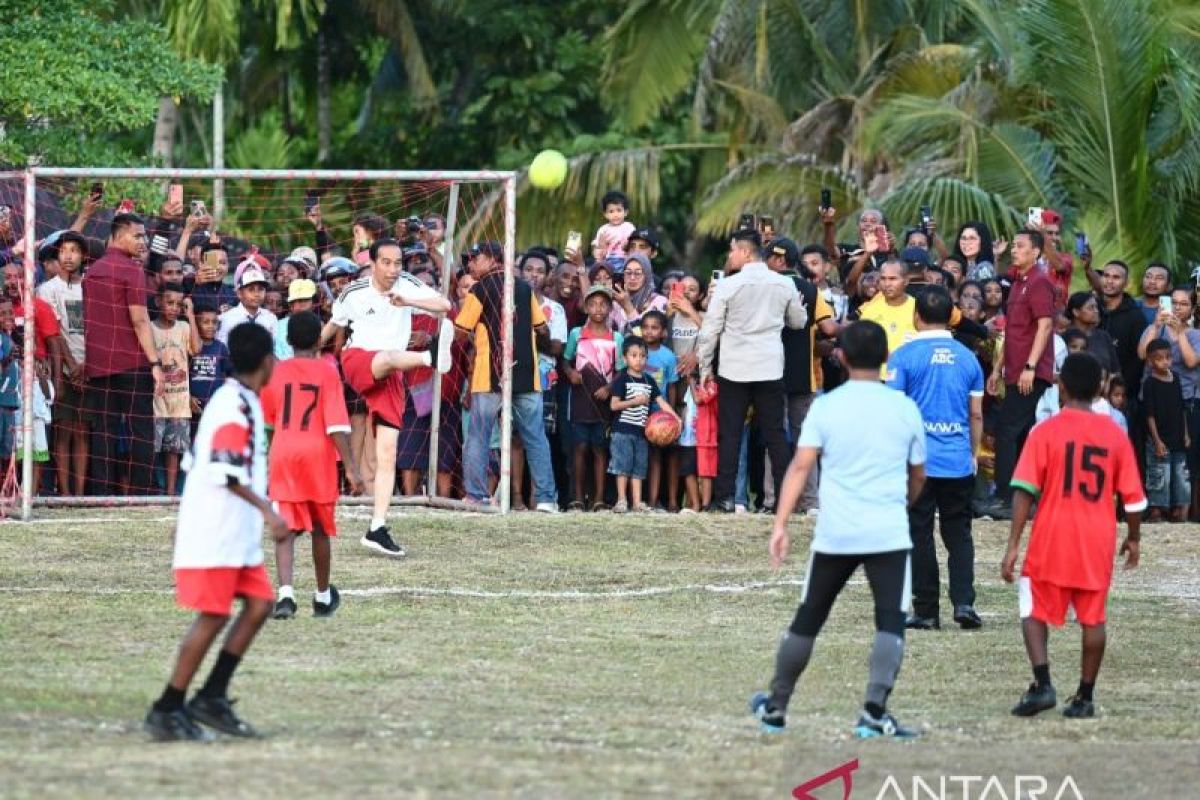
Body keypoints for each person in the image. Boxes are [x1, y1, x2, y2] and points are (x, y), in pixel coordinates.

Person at [751, 320, 926, 737]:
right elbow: (919, 475)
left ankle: (776, 707)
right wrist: (904, 502)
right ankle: (874, 711)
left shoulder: (826, 407)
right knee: (890, 621)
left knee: (809, 617)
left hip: (837, 531)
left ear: (841, 358)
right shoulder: (904, 407)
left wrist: (780, 524)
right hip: (887, 531)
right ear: (886, 358)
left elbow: (800, 466)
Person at [143, 323, 288, 742]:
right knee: (214, 616)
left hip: (236, 537)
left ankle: (212, 696)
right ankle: (167, 707)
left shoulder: (245, 401)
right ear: (267, 362)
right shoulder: (231, 406)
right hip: (215, 531)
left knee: (260, 603)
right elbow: (225, 472)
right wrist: (270, 514)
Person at [1002, 352, 1145, 719]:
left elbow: (1024, 490)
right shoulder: (1114, 434)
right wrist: (1133, 538)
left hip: (1053, 533)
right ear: (1101, 388)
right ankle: (1084, 695)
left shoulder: (1044, 432)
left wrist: (1013, 544)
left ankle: (1043, 682)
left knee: (1032, 606)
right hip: (1096, 537)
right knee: (1093, 617)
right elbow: (1133, 498)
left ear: (1060, 387)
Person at [320, 237, 453, 556]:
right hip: (360, 361)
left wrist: (407, 301)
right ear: (373, 263)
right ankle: (430, 358)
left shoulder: (406, 285)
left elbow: (445, 306)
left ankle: (377, 526)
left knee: (388, 451)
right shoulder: (353, 292)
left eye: (398, 263)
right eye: (387, 263)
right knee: (392, 356)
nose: (393, 269)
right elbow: (331, 326)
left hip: (392, 371)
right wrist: (307, 352)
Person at [887, 287, 985, 630]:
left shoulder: (903, 356)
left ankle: (927, 611)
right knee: (959, 533)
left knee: (919, 533)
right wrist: (972, 452)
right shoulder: (968, 357)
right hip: (957, 459)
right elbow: (976, 414)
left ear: (916, 316)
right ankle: (964, 604)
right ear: (951, 316)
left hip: (917, 463)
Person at [261, 312, 363, 620]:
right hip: (317, 457)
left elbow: (269, 418)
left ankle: (286, 596)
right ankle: (321, 597)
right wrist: (351, 468)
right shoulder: (328, 372)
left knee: (286, 530)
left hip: (285, 452)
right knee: (320, 529)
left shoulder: (275, 372)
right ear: (320, 339)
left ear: (288, 340)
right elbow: (336, 426)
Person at [697, 229, 807, 512]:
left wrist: (705, 367)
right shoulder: (782, 283)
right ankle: (786, 498)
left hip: (734, 369)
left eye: (733, 250)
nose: (730, 255)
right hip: (769, 367)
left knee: (730, 434)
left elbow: (710, 331)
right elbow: (797, 322)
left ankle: (724, 498)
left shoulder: (728, 285)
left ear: (745, 252)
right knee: (775, 435)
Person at [454, 242, 559, 512]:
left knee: (478, 436)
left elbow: (460, 330)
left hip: (489, 375)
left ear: (492, 259)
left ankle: (476, 495)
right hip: (525, 373)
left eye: (475, 259)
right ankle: (547, 499)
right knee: (535, 437)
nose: (471, 265)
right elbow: (542, 328)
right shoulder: (524, 288)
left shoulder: (479, 289)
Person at [83, 213, 164, 495]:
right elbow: (140, 320)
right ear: (119, 236)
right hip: (131, 363)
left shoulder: (92, 271)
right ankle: (140, 493)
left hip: (98, 363)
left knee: (102, 431)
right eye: (138, 235)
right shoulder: (132, 270)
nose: (144, 241)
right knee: (141, 429)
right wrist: (155, 363)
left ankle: (100, 494)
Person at [981, 230, 1055, 520]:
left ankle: (1005, 497)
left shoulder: (1039, 281)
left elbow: (1046, 325)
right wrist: (997, 368)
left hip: (1029, 372)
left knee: (1007, 431)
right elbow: (1012, 331)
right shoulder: (1018, 282)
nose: (1014, 250)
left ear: (1036, 252)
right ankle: (1027, 499)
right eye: (1013, 246)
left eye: (1021, 246)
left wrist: (1031, 367)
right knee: (1021, 433)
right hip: (1013, 370)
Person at [765, 237, 839, 514]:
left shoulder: (764, 287)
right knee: (805, 439)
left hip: (769, 374)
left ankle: (773, 500)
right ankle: (810, 502)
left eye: (768, 258)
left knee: (774, 438)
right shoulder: (809, 288)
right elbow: (829, 328)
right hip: (802, 375)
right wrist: (855, 329)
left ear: (780, 260)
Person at [562, 285, 624, 511]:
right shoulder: (576, 334)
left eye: (603, 304)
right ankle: (577, 498)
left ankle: (598, 498)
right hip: (580, 399)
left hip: (603, 402)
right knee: (579, 448)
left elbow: (621, 371)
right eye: (593, 304)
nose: (598, 308)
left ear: (610, 308)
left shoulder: (616, 337)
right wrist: (571, 373)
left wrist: (609, 388)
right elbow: (565, 360)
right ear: (586, 307)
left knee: (600, 449)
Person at [37, 230, 89, 496]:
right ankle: (65, 492)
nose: (69, 256)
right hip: (64, 371)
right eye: (63, 250)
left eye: (74, 250)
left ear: (83, 256)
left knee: (82, 432)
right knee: (63, 431)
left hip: (89, 370)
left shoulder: (90, 287)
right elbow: (54, 331)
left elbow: (97, 328)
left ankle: (80, 493)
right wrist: (71, 367)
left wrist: (87, 364)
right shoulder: (47, 290)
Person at [607, 335, 681, 513]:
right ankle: (622, 500)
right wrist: (634, 401)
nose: (638, 360)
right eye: (633, 355)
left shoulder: (649, 380)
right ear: (625, 358)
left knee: (639, 468)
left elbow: (661, 402)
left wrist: (675, 417)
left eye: (642, 356)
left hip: (642, 432)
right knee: (622, 466)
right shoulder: (622, 378)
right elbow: (614, 405)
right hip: (622, 431)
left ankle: (637, 502)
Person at [1142, 339, 1191, 522]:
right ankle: (1157, 510)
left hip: (1177, 435)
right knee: (1159, 473)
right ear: (1150, 361)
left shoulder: (1176, 378)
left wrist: (1185, 433)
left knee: (1180, 474)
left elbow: (1181, 407)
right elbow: (1149, 415)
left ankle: (1179, 509)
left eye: (1168, 357)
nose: (1165, 361)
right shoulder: (1150, 383)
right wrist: (1156, 440)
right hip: (1159, 438)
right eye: (1159, 358)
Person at [151, 284, 193, 496]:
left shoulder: (184, 328)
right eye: (170, 303)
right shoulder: (150, 328)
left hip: (180, 402)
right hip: (157, 400)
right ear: (158, 302)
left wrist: (191, 315)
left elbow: (196, 347)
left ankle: (170, 492)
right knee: (154, 447)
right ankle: (153, 489)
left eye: (179, 304)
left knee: (174, 450)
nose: (174, 308)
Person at [637, 310, 679, 511]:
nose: (649, 332)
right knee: (649, 457)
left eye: (654, 328)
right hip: (638, 412)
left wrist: (671, 415)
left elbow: (671, 387)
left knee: (668, 455)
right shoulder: (636, 352)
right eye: (645, 327)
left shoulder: (668, 357)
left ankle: (670, 501)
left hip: (660, 414)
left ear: (663, 332)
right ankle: (650, 501)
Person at [857, 260, 916, 376]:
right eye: (883, 279)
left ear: (906, 281)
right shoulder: (870, 312)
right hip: (877, 381)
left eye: (893, 279)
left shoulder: (918, 310)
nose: (887, 284)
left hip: (909, 379)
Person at [217, 265, 278, 345]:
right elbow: (223, 348)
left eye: (261, 289)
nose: (257, 294)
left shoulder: (270, 318)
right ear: (239, 293)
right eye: (251, 289)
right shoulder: (226, 319)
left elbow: (274, 345)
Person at [1064, 291, 1120, 375]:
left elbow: (1115, 370)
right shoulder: (1064, 337)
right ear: (1076, 312)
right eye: (1091, 308)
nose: (1096, 311)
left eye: (1096, 307)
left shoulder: (1104, 336)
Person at [612, 253, 666, 333]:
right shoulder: (616, 303)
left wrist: (629, 308)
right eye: (628, 273)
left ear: (647, 275)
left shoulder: (659, 302)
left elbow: (648, 337)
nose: (632, 278)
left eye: (638, 273)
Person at [273, 279, 318, 361]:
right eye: (293, 303)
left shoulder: (322, 326)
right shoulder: (278, 326)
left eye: (302, 301)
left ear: (314, 303)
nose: (297, 307)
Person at [592, 190, 636, 260]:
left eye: (619, 210)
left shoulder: (629, 227)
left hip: (626, 259)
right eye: (611, 211)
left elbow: (635, 244)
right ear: (605, 214)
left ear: (626, 212)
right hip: (608, 260)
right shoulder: (603, 229)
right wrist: (599, 252)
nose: (615, 215)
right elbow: (597, 247)